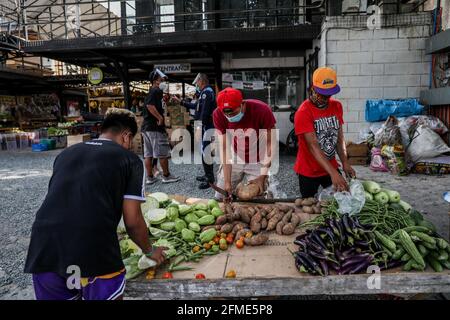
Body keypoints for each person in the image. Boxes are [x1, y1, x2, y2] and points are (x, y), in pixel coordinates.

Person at [24, 108, 167, 300]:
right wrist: (150, 250)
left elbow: (69, 198)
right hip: (94, 248)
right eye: (131, 141)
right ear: (126, 136)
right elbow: (132, 221)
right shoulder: (130, 160)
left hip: (44, 248)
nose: (130, 146)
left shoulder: (66, 154)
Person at [294, 67, 356, 198]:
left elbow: (339, 139)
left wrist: (344, 162)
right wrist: (334, 174)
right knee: (310, 206)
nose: (326, 97)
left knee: (341, 201)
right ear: (313, 87)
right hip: (309, 171)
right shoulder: (303, 112)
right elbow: (313, 146)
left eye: (329, 94)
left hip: (331, 166)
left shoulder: (337, 106)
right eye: (322, 94)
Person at [213, 87, 276, 200]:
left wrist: (263, 176)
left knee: (258, 198)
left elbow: (271, 144)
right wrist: (227, 182)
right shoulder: (218, 114)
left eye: (234, 112)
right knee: (221, 196)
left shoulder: (262, 110)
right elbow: (224, 148)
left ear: (242, 104)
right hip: (235, 155)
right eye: (227, 114)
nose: (230, 116)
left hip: (258, 157)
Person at [173, 73, 217, 189]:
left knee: (205, 151)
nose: (196, 85)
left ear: (201, 81)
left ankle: (210, 179)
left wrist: (198, 127)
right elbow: (196, 107)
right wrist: (181, 102)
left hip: (206, 126)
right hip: (204, 126)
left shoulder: (207, 93)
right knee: (204, 150)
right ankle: (207, 174)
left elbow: (205, 112)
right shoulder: (204, 93)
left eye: (197, 83)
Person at [142, 69, 179, 184]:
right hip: (154, 127)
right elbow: (150, 106)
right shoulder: (156, 91)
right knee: (162, 153)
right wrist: (160, 118)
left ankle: (149, 177)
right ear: (155, 81)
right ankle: (166, 176)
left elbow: (153, 105)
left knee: (148, 154)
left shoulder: (153, 91)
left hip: (146, 128)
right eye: (161, 80)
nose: (163, 81)